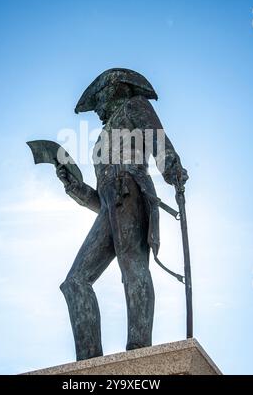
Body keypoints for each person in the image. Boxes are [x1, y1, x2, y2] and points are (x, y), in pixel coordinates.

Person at [56, 68, 188, 361]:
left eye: (99, 98)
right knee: (75, 281)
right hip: (110, 203)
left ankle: (139, 349)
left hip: (132, 191)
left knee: (133, 269)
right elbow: (100, 202)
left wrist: (173, 170)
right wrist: (75, 187)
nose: (98, 107)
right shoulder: (103, 134)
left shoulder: (134, 106)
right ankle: (89, 361)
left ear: (115, 90)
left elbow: (158, 140)